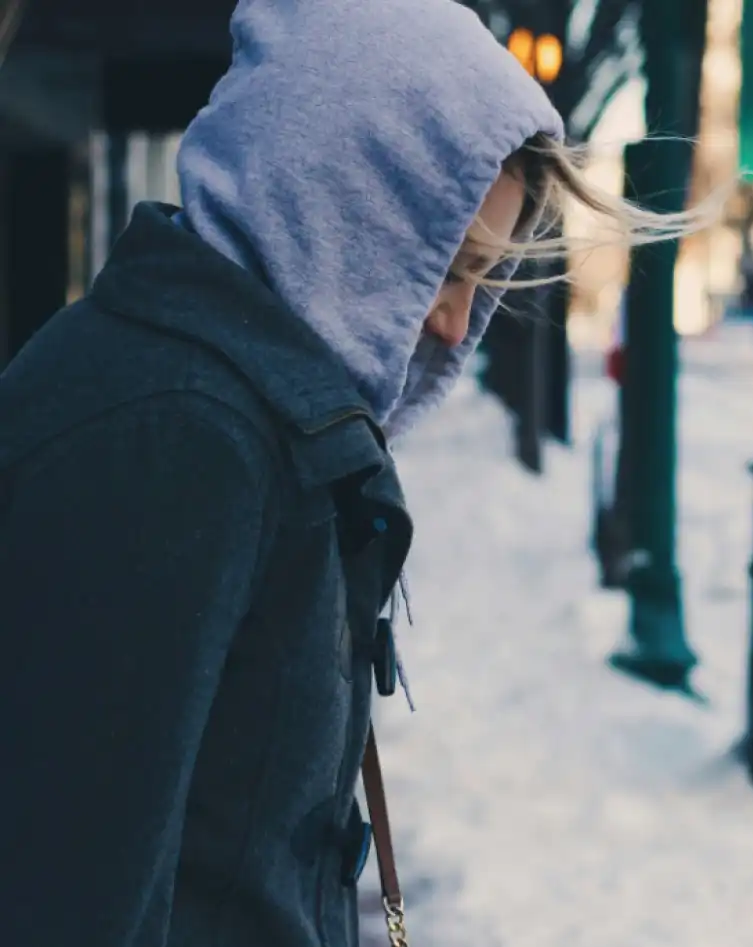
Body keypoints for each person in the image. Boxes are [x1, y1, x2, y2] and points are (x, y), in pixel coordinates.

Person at [0, 0, 707, 945]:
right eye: (444, 270)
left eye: (475, 282)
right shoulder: (180, 437)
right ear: (345, 210)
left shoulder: (234, 418)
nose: (455, 323)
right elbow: (69, 895)